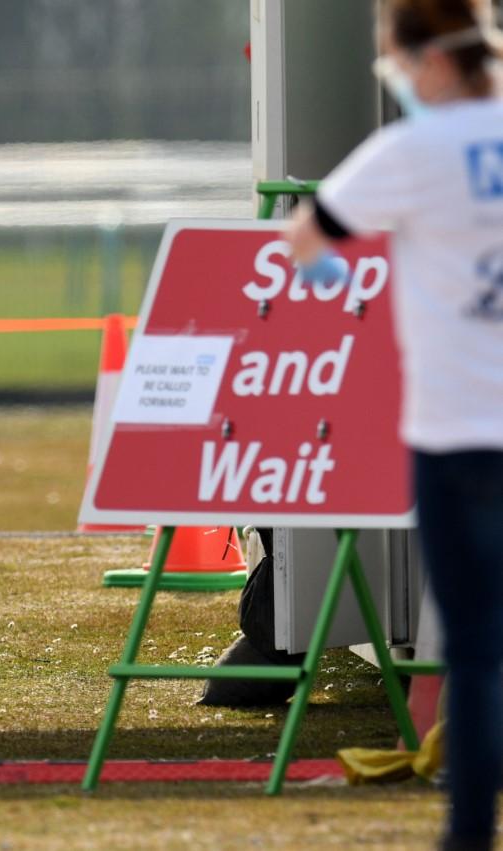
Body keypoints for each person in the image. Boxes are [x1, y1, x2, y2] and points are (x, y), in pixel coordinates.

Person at [286, 2, 503, 847]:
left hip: (456, 434)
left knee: (477, 654)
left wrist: (340, 281)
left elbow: (309, 236)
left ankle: (465, 833)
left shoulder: (417, 150)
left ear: (427, 59)